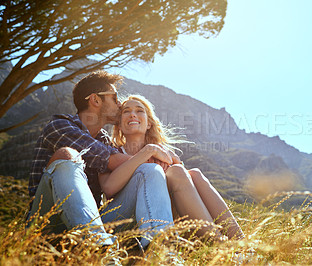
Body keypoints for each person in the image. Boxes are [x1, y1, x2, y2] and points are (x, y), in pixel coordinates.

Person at [27, 71, 174, 250]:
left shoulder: (104, 139)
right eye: (114, 98)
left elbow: (127, 164)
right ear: (96, 100)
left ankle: (159, 250)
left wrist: (155, 162)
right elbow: (111, 160)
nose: (120, 104)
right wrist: (151, 152)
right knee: (67, 155)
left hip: (94, 222)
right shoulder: (60, 126)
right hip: (47, 223)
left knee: (150, 171)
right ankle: (99, 251)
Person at [109, 95, 245, 240]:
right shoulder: (112, 151)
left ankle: (240, 241)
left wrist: (170, 162)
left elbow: (183, 184)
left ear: (149, 123)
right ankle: (218, 242)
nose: (133, 114)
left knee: (194, 174)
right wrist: (147, 155)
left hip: (166, 215)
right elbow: (109, 189)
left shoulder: (163, 153)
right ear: (119, 124)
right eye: (126, 111)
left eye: (139, 110)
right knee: (175, 171)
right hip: (128, 217)